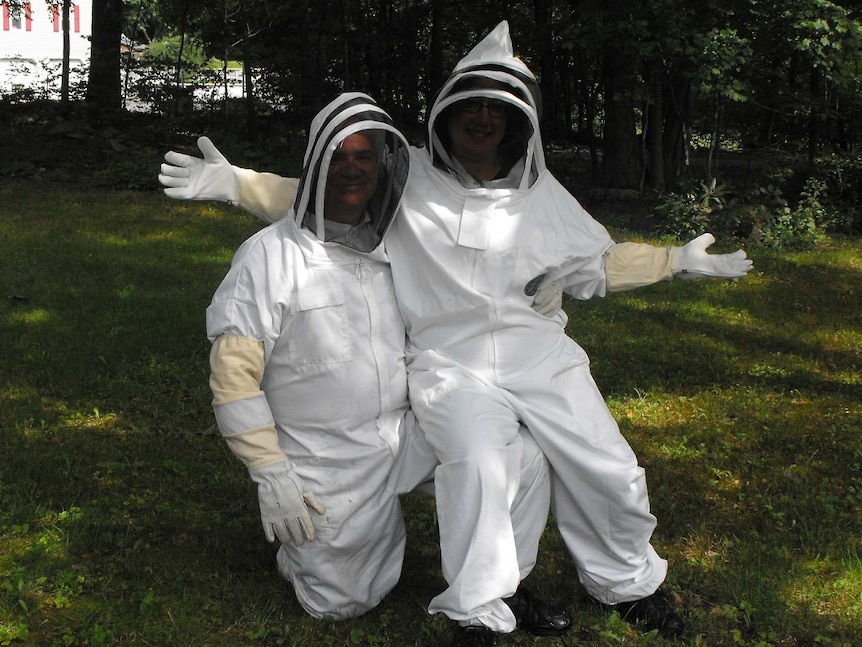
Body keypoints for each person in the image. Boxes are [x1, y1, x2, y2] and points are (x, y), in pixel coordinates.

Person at [161, 23, 753, 646]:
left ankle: (628, 583)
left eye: (495, 107)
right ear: (444, 115)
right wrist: (235, 184)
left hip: (541, 355)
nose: (481, 117)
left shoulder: (542, 194)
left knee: (610, 468)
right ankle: (480, 610)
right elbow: (322, 194)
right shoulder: (405, 178)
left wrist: (673, 262)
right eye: (469, 104)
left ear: (517, 120)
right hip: (449, 365)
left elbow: (595, 263)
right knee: (478, 466)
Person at [197, 92, 562, 634]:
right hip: (327, 459)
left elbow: (477, 276)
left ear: (384, 164)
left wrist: (537, 289)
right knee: (344, 603)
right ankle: (309, 552)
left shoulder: (399, 245)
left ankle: (495, 590)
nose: (352, 169)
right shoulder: (268, 256)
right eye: (338, 156)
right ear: (316, 163)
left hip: (407, 430)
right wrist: (270, 473)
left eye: (365, 156)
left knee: (523, 458)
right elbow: (233, 377)